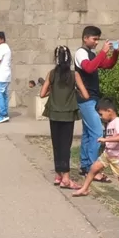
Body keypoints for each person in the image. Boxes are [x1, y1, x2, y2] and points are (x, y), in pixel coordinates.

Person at [75, 26, 119, 180]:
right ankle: (93, 169)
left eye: (98, 39)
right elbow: (88, 68)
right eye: (94, 39)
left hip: (92, 98)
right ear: (85, 38)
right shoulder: (81, 53)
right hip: (85, 99)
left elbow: (107, 65)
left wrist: (115, 53)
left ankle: (85, 165)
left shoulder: (91, 54)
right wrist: (102, 52)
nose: (96, 42)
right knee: (97, 132)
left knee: (88, 134)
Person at [71, 99, 119, 207]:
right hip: (108, 154)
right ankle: (85, 189)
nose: (100, 117)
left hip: (118, 157)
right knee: (93, 169)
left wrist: (105, 140)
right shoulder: (110, 123)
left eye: (101, 114)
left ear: (109, 111)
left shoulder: (118, 122)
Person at [40, 46, 85, 188]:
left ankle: (58, 175)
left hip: (53, 113)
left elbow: (42, 94)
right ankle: (66, 177)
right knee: (66, 145)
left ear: (56, 58)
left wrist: (51, 91)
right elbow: (86, 95)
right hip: (68, 113)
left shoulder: (52, 74)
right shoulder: (74, 75)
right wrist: (75, 91)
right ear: (69, 58)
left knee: (56, 144)